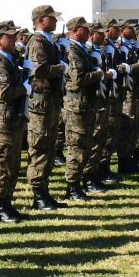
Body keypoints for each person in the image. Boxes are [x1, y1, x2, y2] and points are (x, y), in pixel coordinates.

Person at [0, 20, 29, 223]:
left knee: (13, 164)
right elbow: (3, 92)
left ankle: (8, 202)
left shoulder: (11, 60)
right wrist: (24, 88)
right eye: (9, 37)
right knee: (3, 164)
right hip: (3, 121)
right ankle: (0, 205)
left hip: (14, 118)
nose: (14, 40)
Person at [23, 6, 64, 209]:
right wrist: (61, 68)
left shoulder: (49, 41)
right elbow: (39, 70)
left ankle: (44, 191)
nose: (56, 22)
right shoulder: (37, 42)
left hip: (51, 100)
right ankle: (38, 193)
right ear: (40, 20)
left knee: (49, 146)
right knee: (40, 146)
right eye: (52, 18)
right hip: (41, 102)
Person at [62, 16, 102, 201]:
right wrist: (99, 73)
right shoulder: (73, 50)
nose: (89, 33)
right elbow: (79, 78)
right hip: (77, 105)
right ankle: (72, 186)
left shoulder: (81, 49)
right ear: (76, 30)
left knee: (85, 145)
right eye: (85, 30)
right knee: (77, 147)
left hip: (86, 103)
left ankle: (82, 181)